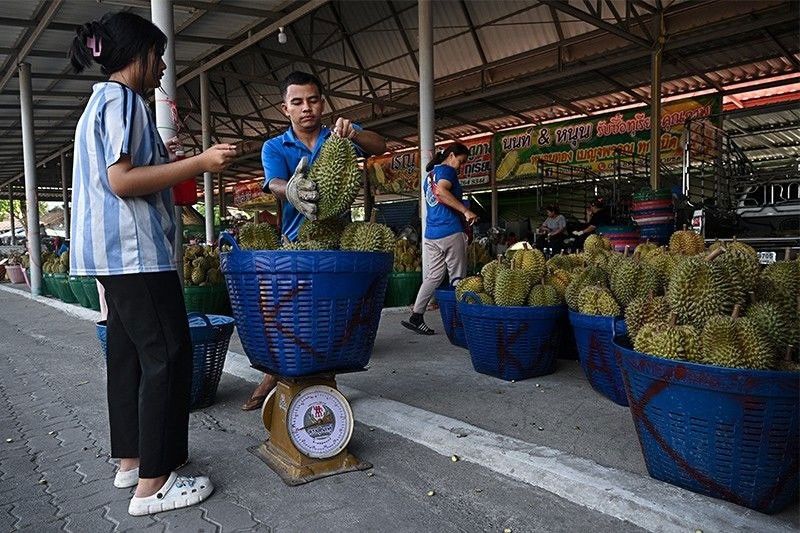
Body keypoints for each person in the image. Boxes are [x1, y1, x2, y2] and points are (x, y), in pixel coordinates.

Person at [68, 12, 237, 516]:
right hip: (135, 252)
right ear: (137, 56)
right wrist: (202, 163)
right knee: (168, 353)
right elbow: (123, 180)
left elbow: (133, 172)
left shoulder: (97, 103)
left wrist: (171, 164)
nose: (163, 66)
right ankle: (155, 485)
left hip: (109, 255)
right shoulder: (123, 99)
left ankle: (131, 461)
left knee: (128, 356)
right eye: (158, 55)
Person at [240, 71, 387, 410]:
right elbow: (274, 181)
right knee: (290, 319)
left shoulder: (338, 137)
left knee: (328, 321)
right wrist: (288, 189)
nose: (306, 108)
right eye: (297, 102)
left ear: (322, 102)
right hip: (295, 245)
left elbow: (381, 146)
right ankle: (274, 375)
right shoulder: (275, 146)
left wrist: (357, 135)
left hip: (340, 244)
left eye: (313, 100)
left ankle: (324, 386)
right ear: (285, 108)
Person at [402, 143, 479, 335]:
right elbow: (441, 192)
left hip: (431, 234)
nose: (460, 166)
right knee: (458, 278)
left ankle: (416, 316)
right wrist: (466, 211)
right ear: (452, 155)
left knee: (433, 277)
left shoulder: (429, 176)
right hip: (451, 231)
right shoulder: (447, 171)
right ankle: (460, 323)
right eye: (461, 161)